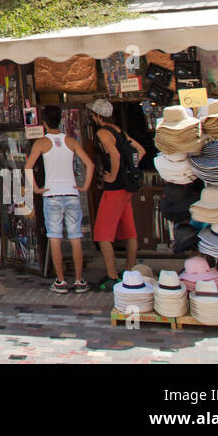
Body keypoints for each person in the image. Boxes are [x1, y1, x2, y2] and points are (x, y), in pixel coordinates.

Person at [24, 104, 94, 293]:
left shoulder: (41, 143)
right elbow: (89, 163)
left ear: (44, 123)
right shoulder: (70, 141)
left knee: (54, 238)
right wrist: (85, 186)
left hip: (52, 194)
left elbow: (28, 167)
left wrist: (37, 188)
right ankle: (79, 281)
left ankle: (61, 281)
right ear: (60, 121)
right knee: (75, 237)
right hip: (71, 193)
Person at [88, 99, 145, 292]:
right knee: (129, 231)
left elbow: (115, 155)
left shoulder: (102, 132)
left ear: (97, 116)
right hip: (127, 188)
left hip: (114, 189)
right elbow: (140, 151)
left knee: (102, 233)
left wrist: (113, 174)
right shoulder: (119, 131)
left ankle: (112, 275)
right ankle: (130, 271)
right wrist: (131, 170)